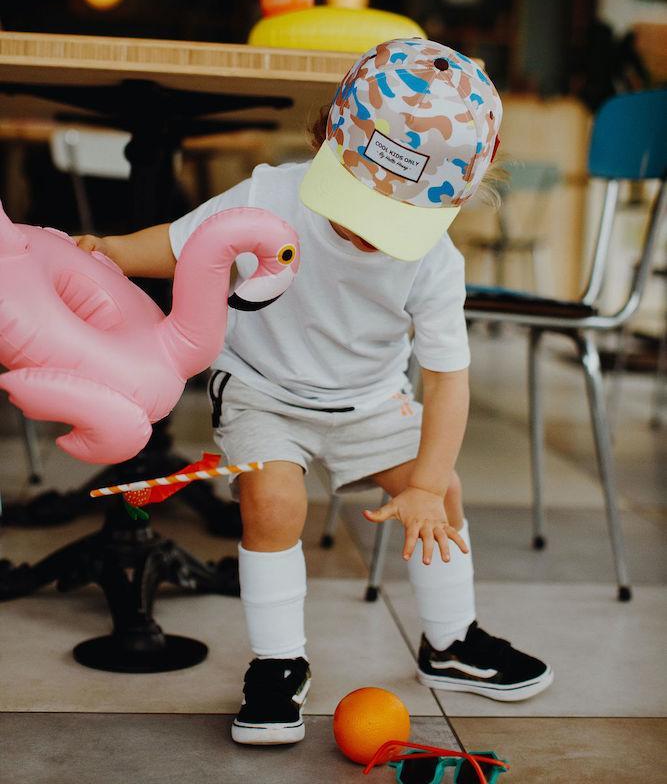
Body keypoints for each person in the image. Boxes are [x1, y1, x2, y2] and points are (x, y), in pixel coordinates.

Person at [77, 38, 553, 746]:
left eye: (389, 222)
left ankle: (449, 642)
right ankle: (277, 665)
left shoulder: (434, 261)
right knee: (272, 499)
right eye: (356, 205)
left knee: (443, 490)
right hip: (264, 391)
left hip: (367, 400)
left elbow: (447, 379)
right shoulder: (272, 194)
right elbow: (186, 246)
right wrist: (114, 251)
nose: (364, 234)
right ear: (328, 137)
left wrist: (423, 482)